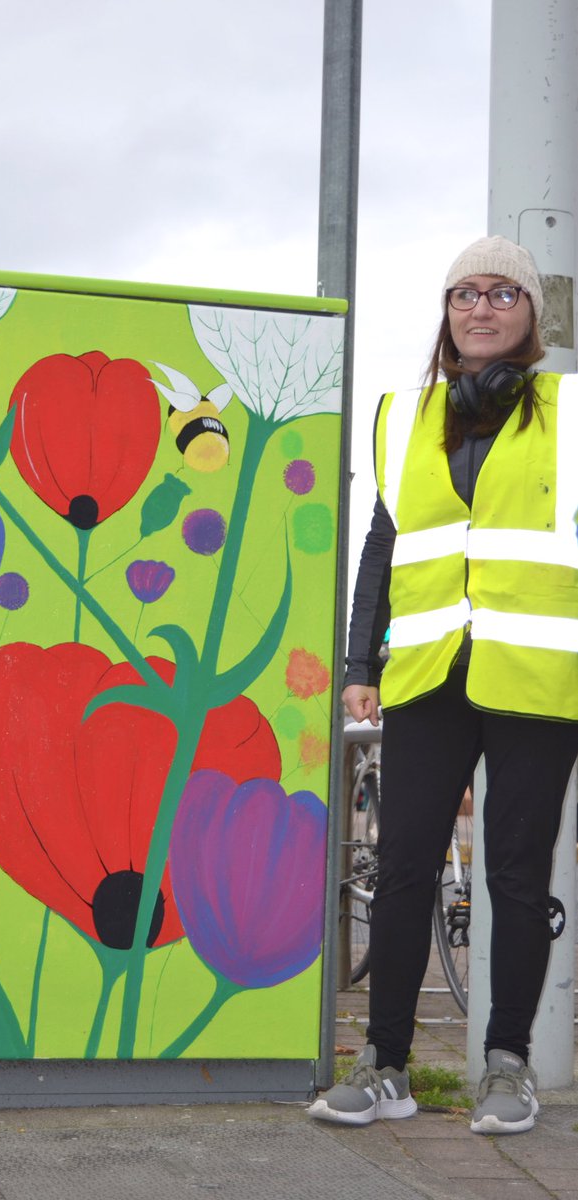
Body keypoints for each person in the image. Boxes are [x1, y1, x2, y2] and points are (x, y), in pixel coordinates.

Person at [308, 235, 578, 1135]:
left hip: (538, 679)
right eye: (465, 292)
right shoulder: (402, 415)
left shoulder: (569, 412)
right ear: (447, 309)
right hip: (425, 672)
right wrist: (358, 665)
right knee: (403, 867)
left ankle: (507, 1067)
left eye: (503, 292)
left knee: (514, 873)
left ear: (531, 313)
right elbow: (382, 549)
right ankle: (385, 1065)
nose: (481, 307)